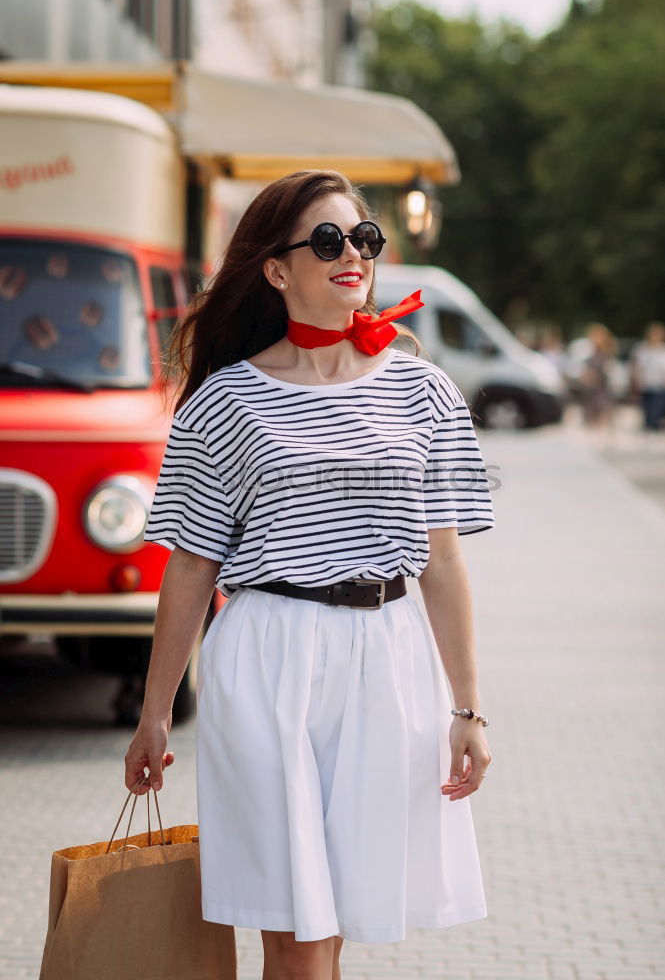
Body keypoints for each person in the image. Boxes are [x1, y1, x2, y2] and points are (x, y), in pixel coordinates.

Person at [124, 170, 495, 980]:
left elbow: (443, 558)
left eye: (363, 238)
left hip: (388, 659)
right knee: (293, 934)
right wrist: (155, 713)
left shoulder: (424, 390)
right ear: (275, 270)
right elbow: (190, 564)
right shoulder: (221, 402)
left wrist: (468, 707)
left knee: (338, 923)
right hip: (267, 655)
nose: (351, 254)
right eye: (326, 241)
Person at [629, 321, 665, 433]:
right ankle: (649, 427)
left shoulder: (662, 350)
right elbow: (636, 366)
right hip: (645, 384)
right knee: (646, 409)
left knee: (656, 409)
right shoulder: (642, 349)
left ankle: (654, 427)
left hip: (659, 385)